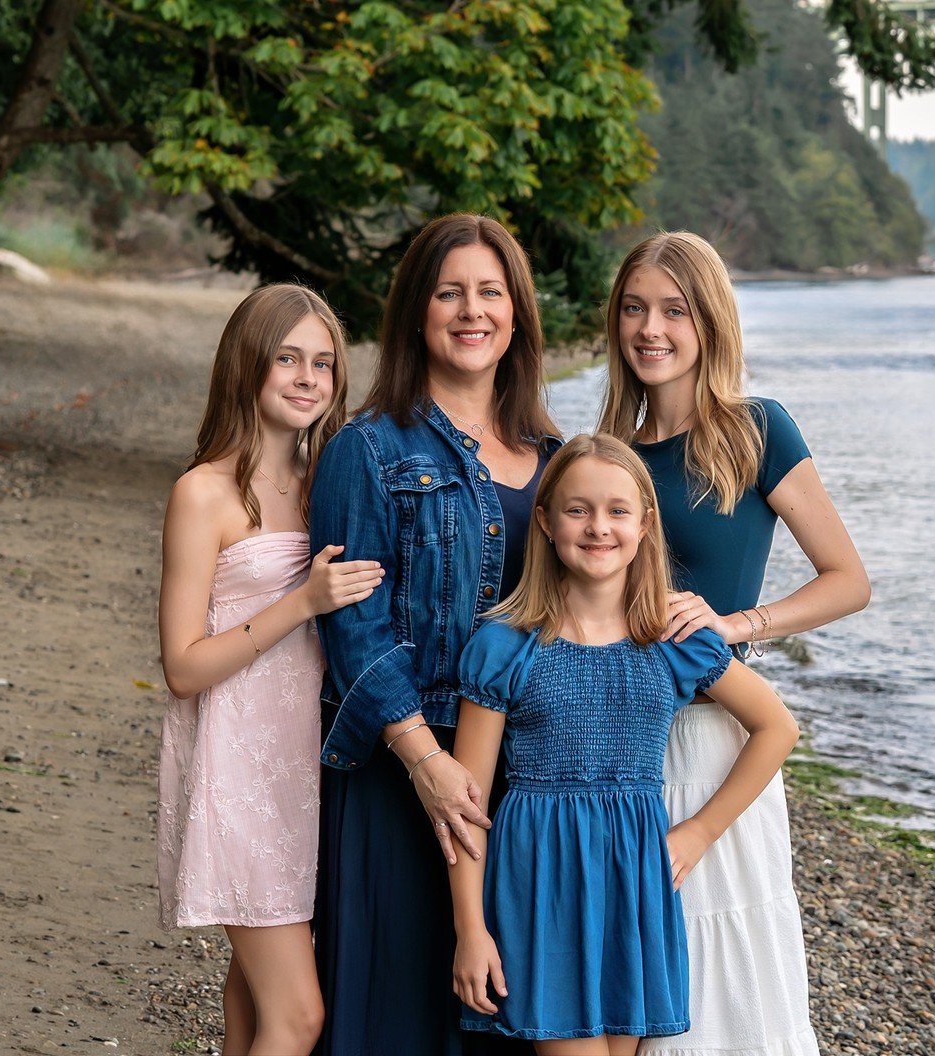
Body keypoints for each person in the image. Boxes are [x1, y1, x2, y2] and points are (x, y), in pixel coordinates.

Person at [599, 232, 871, 1056]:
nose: (652, 329)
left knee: (721, 968)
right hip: (616, 741)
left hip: (715, 739)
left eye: (675, 311)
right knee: (632, 972)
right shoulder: (610, 453)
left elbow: (846, 580)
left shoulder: (757, 430)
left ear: (709, 321)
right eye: (636, 309)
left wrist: (737, 624)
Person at [447, 434, 801, 1053]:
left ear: (644, 525)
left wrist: (699, 832)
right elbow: (466, 808)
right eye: (578, 509)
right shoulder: (504, 645)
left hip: (635, 879)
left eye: (617, 510)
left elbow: (777, 728)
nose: (598, 527)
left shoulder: (673, 639)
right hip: (544, 881)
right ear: (547, 522)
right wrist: (470, 929)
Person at [308, 213, 562, 1056]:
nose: (471, 310)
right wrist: (424, 759)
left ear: (518, 314)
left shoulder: (558, 457)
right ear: (417, 312)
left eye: (491, 292)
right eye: (449, 292)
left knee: (502, 1008)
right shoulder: (368, 450)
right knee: (392, 1013)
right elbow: (354, 625)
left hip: (526, 778)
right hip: (399, 766)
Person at [156, 284, 385, 1056]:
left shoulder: (328, 485)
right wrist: (302, 602)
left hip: (308, 768)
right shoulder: (204, 493)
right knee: (298, 1017)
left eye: (323, 363)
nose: (307, 378)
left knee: (252, 998)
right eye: (287, 358)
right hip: (237, 768)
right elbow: (183, 668)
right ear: (246, 363)